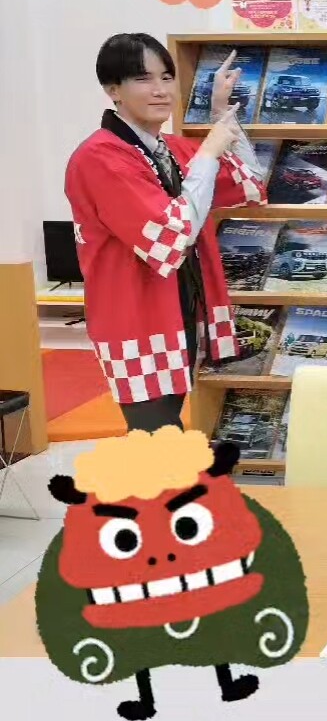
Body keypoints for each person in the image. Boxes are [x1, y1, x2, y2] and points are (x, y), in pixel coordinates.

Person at [65, 33, 267, 433]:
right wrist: (208, 151)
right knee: (157, 439)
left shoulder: (170, 148)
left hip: (180, 311)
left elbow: (250, 183)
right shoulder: (100, 157)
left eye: (167, 77)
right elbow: (172, 236)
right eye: (143, 79)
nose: (160, 90)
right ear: (113, 90)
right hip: (136, 320)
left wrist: (221, 115)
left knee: (166, 435)